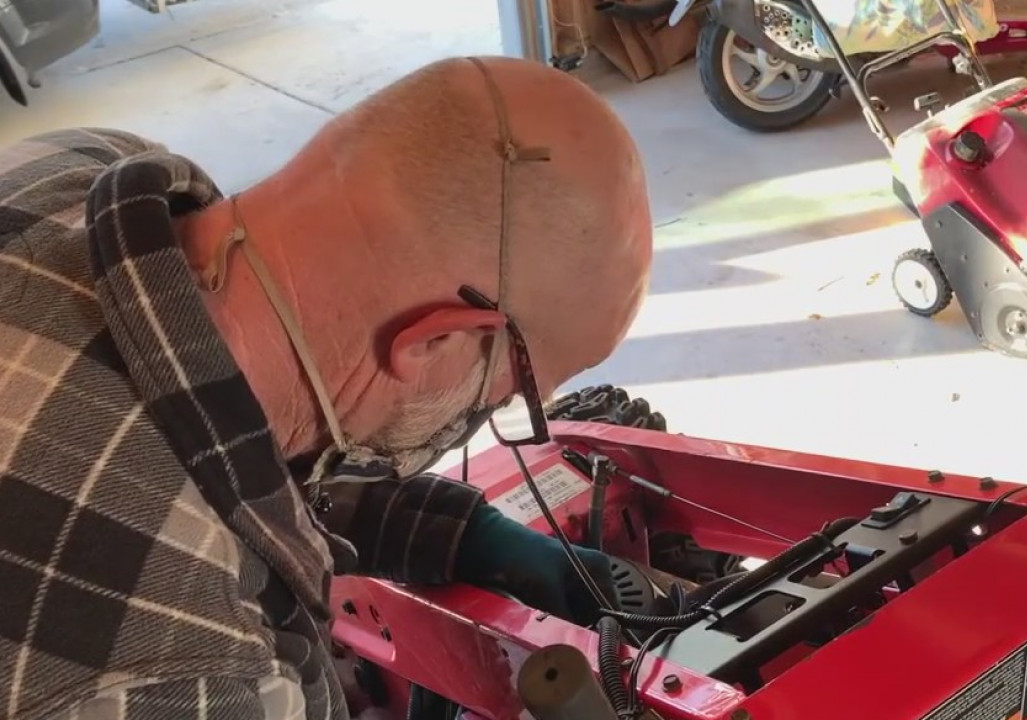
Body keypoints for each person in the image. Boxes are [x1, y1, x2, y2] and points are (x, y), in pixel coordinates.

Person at [0, 55, 653, 720]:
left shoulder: (68, 165)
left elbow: (221, 451)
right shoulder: (193, 680)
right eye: (513, 395)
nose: (490, 415)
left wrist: (465, 535)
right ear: (433, 341)